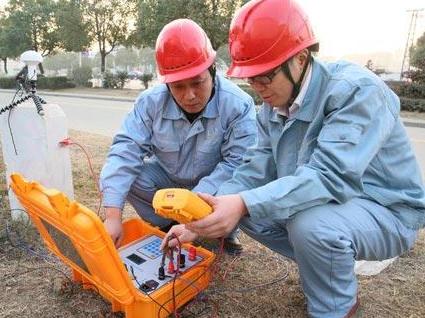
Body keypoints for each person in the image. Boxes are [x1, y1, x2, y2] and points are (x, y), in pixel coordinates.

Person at [162, 0, 425, 317]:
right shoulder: (270, 109)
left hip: (386, 210)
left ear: (300, 59)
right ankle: (329, 264)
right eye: (251, 79)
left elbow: (330, 177)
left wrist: (244, 201)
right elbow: (251, 173)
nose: (258, 89)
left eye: (266, 77)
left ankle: (336, 306)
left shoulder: (357, 92)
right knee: (241, 206)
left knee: (308, 223)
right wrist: (199, 221)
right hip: (331, 208)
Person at [100, 19, 257, 254]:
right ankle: (169, 226)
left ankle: (221, 232)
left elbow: (236, 165)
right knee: (133, 176)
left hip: (212, 185)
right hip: (168, 179)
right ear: (166, 83)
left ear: (212, 71)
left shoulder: (239, 105)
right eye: (178, 87)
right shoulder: (150, 102)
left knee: (232, 194)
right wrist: (113, 216)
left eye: (197, 83)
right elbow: (126, 150)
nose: (190, 96)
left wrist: (191, 205)